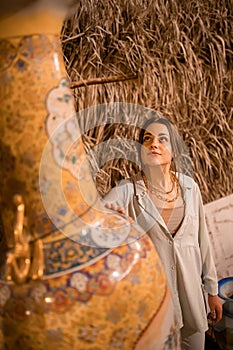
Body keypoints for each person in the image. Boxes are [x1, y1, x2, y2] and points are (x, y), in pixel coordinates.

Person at [103, 115, 222, 350]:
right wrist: (109, 217)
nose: (153, 144)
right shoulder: (127, 191)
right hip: (153, 308)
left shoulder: (189, 188)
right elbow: (94, 215)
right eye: (147, 139)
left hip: (191, 300)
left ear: (174, 150)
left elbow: (202, 242)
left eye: (162, 139)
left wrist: (212, 290)